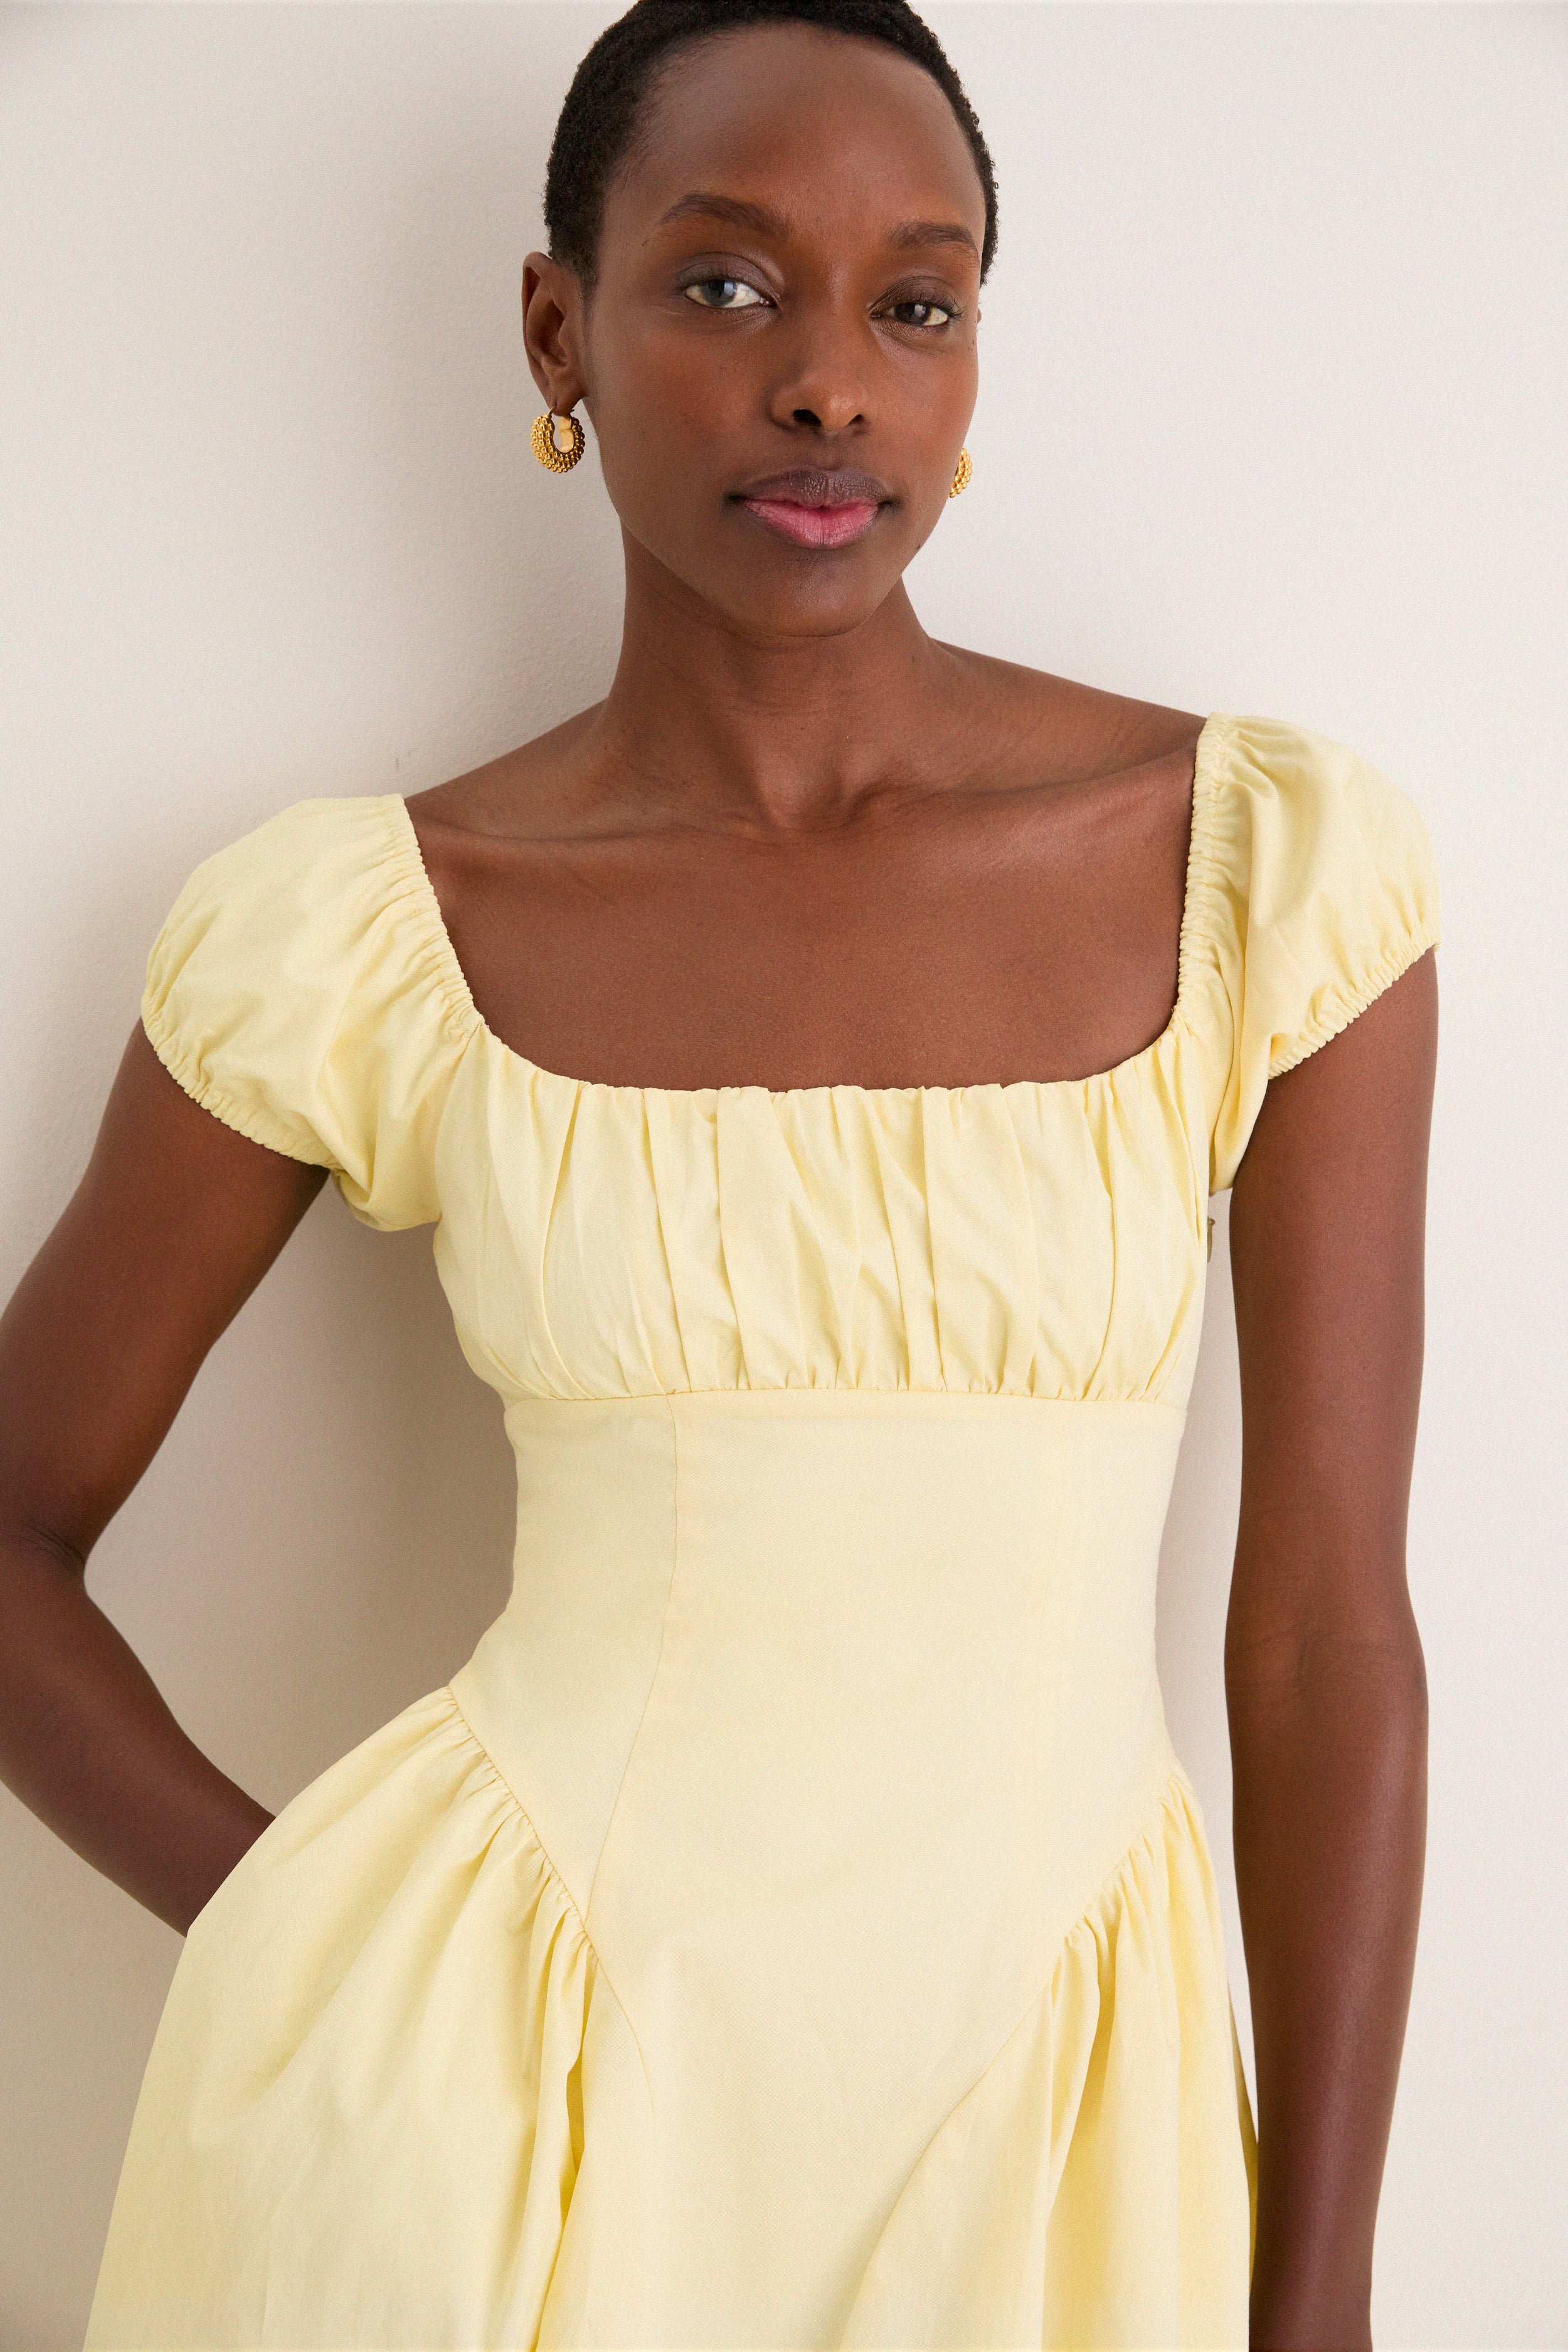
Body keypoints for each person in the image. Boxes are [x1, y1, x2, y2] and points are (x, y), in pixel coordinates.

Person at [0, 3, 1439, 2346]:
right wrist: (311, 1946)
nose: (830, 387)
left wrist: (1321, 2288)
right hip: (495, 2147)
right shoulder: (371, 928)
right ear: (560, 322)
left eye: (916, 301)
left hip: (1065, 2134)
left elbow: (1318, 1637)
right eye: (727, 283)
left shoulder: (1257, 867)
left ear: (975, 358)